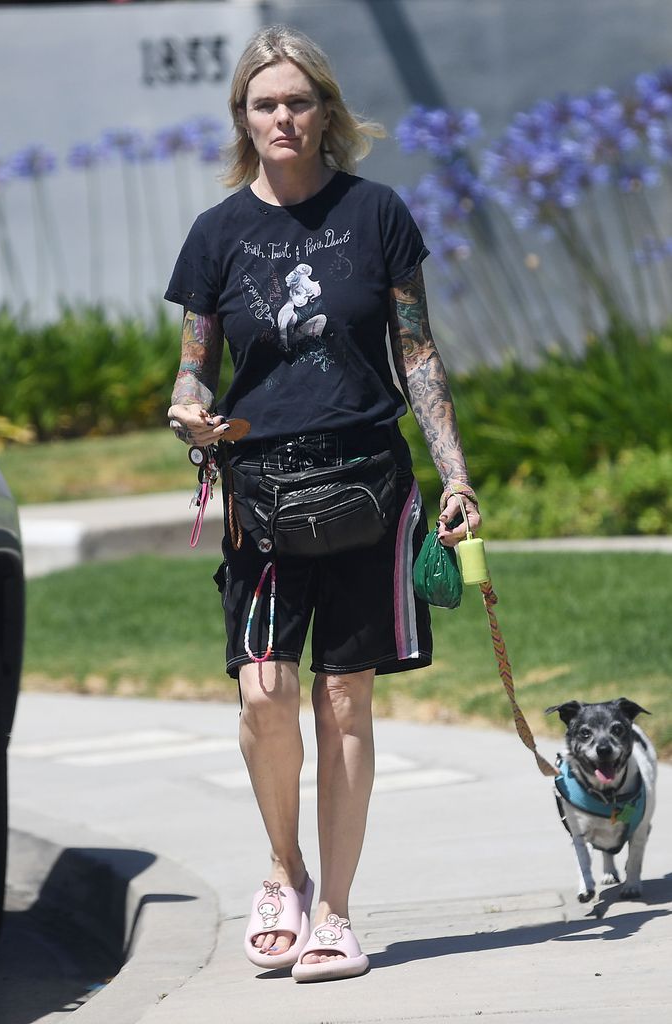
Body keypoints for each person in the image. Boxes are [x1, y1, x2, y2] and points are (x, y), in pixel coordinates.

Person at [164, 24, 481, 982]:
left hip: (368, 485)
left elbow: (415, 353)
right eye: (265, 103)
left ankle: (337, 911)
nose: (283, 117)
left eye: (298, 101)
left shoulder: (377, 213)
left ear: (325, 112)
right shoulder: (215, 235)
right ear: (243, 118)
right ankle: (283, 870)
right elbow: (191, 373)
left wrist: (454, 473)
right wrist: (191, 417)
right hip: (261, 492)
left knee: (345, 701)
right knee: (265, 689)